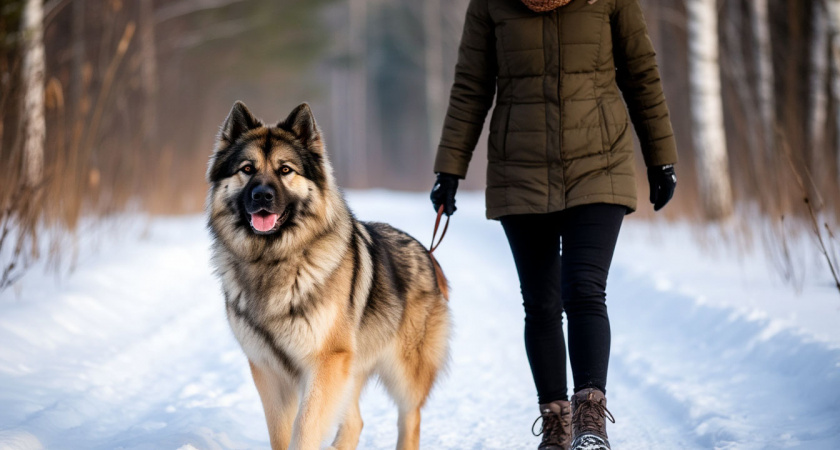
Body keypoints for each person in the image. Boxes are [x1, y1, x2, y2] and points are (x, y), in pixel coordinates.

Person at [429, 0, 678, 449]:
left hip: (600, 161)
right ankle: (557, 422)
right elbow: (472, 85)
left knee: (583, 288)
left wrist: (661, 158)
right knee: (541, 302)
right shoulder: (489, 3)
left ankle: (589, 421)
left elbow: (640, 72)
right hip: (519, 168)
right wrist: (450, 168)